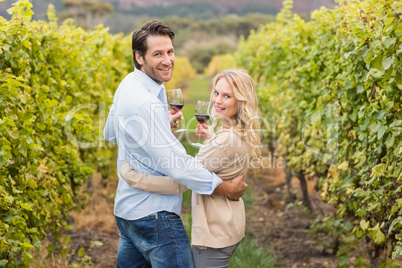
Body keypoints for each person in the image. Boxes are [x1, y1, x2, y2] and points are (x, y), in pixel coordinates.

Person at [103, 20, 248, 268]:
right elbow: (178, 166)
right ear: (139, 57)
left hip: (127, 213)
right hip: (155, 217)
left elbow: (111, 132)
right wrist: (222, 188)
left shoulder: (128, 84)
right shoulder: (146, 102)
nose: (167, 60)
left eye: (170, 52)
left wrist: (156, 126)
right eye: (157, 54)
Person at [120, 69, 262, 268]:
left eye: (227, 96)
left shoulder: (226, 140)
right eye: (216, 93)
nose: (217, 100)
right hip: (227, 222)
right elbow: (226, 159)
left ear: (241, 101)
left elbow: (181, 182)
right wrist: (212, 139)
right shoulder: (236, 131)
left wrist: (134, 178)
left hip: (214, 232)